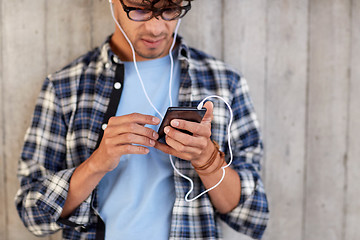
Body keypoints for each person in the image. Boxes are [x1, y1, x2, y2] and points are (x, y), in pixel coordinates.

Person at [15, 0, 269, 239]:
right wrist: (96, 164)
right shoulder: (64, 86)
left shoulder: (224, 82)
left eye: (169, 9)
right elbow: (32, 214)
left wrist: (207, 161)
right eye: (139, 9)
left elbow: (252, 215)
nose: (156, 28)